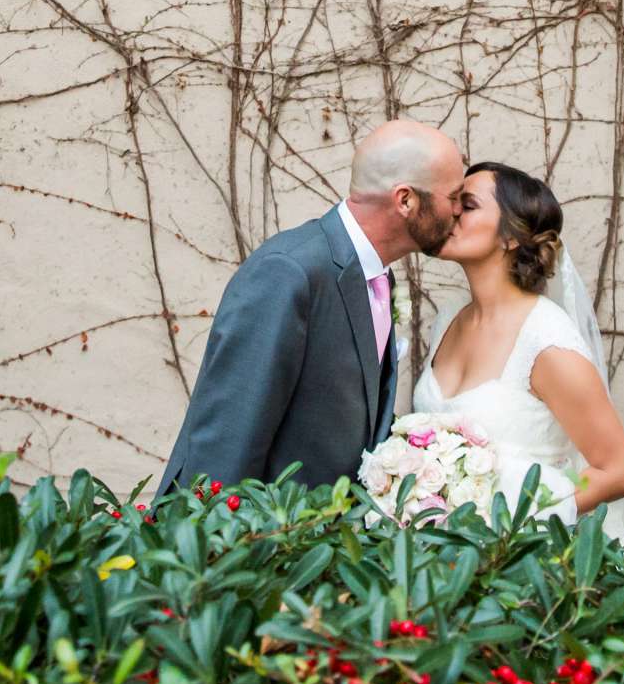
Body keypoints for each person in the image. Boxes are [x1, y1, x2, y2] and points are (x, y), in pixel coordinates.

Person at [159, 119, 466, 493]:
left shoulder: (378, 278)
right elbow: (227, 437)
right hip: (261, 538)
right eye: (453, 197)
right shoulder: (289, 272)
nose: (459, 211)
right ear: (405, 200)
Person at [411, 161, 624, 536]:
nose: (450, 213)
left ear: (511, 237)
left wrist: (517, 524)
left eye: (467, 206)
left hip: (515, 561)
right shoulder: (449, 319)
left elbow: (618, 472)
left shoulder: (545, 340)